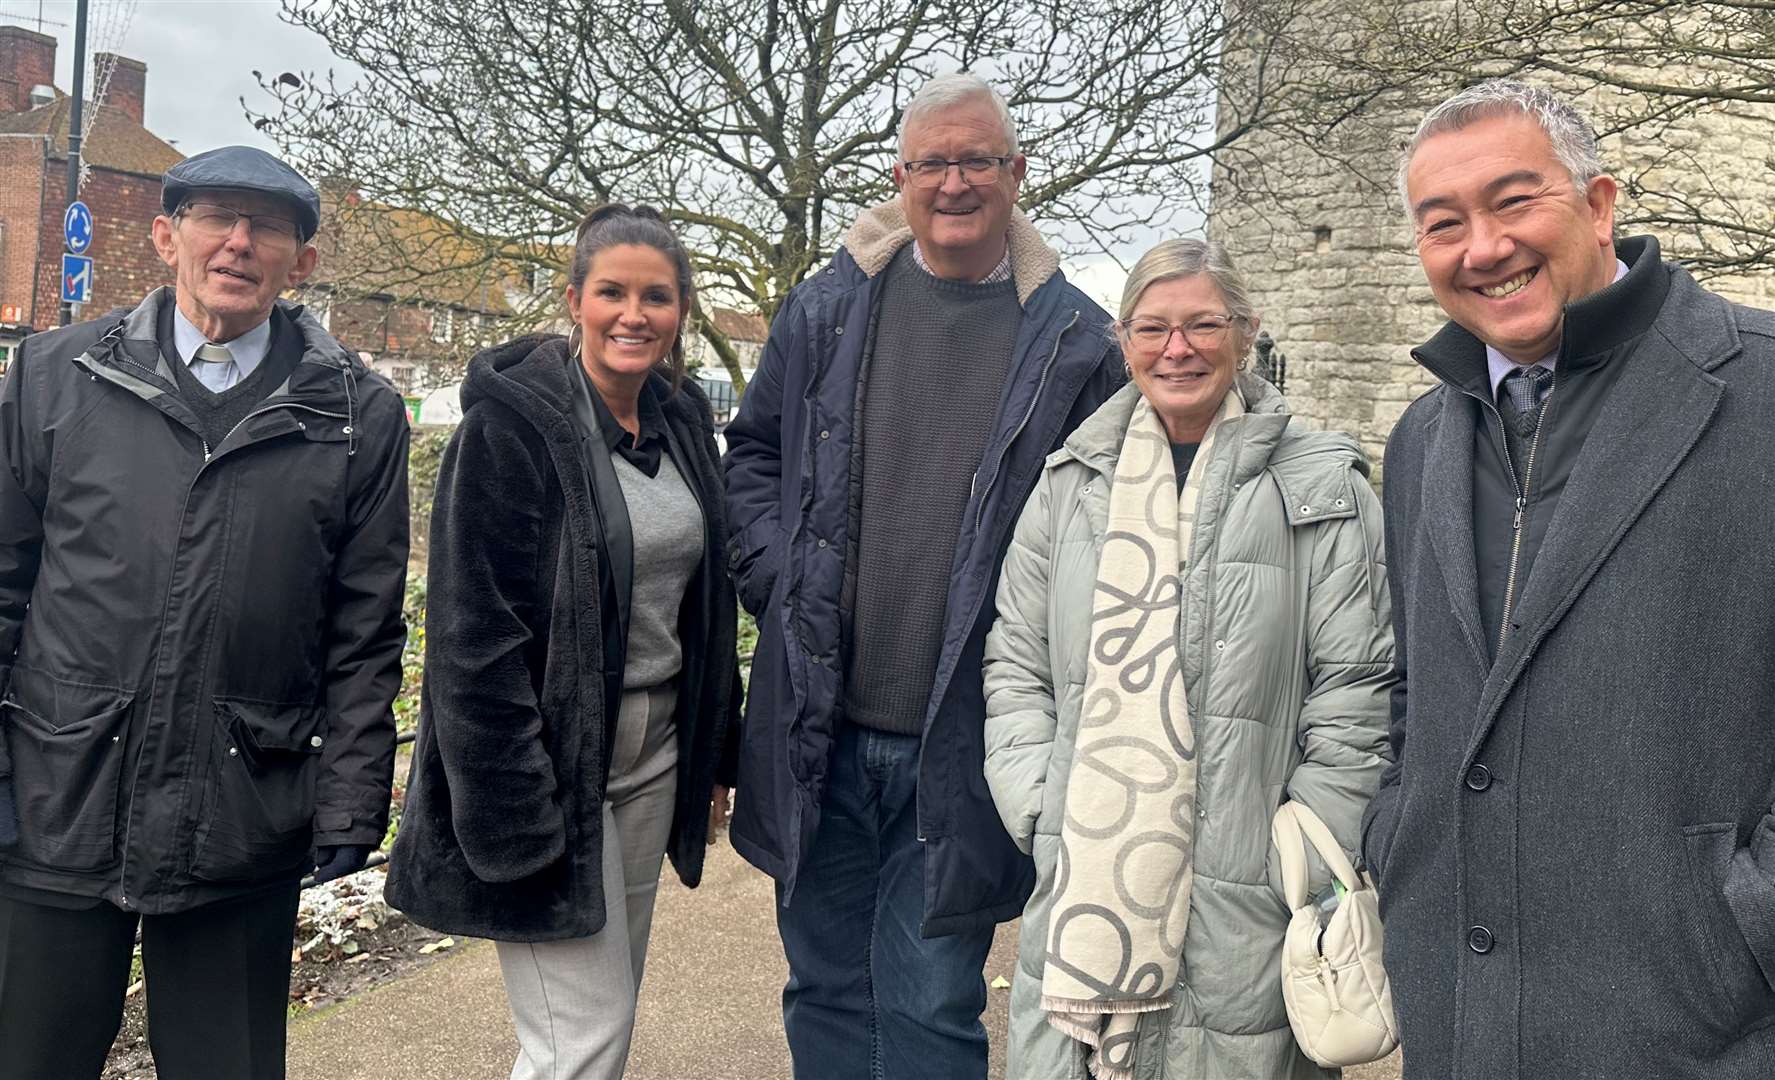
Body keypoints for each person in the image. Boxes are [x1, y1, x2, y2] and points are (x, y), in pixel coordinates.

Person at [1366, 78, 1775, 1077]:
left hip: (1694, 1027)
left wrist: (1745, 922)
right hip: (1458, 1012)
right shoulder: (1421, 437)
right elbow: (1412, 689)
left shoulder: (1757, 392)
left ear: (1597, 205)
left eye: (1512, 202)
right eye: (1441, 223)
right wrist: (1394, 836)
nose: (1482, 248)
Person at [721, 71, 1123, 1079]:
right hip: (821, 725)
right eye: (932, 162)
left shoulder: (1075, 341)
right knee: (822, 990)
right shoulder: (826, 309)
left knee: (932, 1005)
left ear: (1016, 174)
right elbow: (753, 456)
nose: (953, 182)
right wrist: (780, 581)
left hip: (967, 738)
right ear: (899, 177)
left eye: (976, 160)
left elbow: (1110, 518)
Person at [0, 146, 410, 1079]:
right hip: (57, 790)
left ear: (301, 261)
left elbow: (363, 627)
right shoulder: (56, 377)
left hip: (240, 806)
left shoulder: (356, 415)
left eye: (266, 226)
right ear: (164, 237)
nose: (238, 242)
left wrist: (349, 795)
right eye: (215, 217)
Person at [982, 238, 1393, 1080]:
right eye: (1152, 328)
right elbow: (1014, 663)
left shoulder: (1319, 486)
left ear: (1245, 332)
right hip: (1085, 879)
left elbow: (1359, 685)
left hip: (1254, 894)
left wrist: (1308, 839)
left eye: (1203, 324)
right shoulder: (1070, 483)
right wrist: (1040, 804)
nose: (1178, 348)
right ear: (1124, 340)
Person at [386, 204, 742, 1080]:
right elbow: (473, 639)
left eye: (655, 296)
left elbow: (705, 605)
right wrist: (509, 809)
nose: (634, 314)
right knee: (580, 1037)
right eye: (612, 292)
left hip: (652, 759)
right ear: (574, 299)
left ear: (680, 311)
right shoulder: (510, 430)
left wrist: (709, 754)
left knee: (603, 1021)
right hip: (547, 769)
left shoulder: (682, 426)